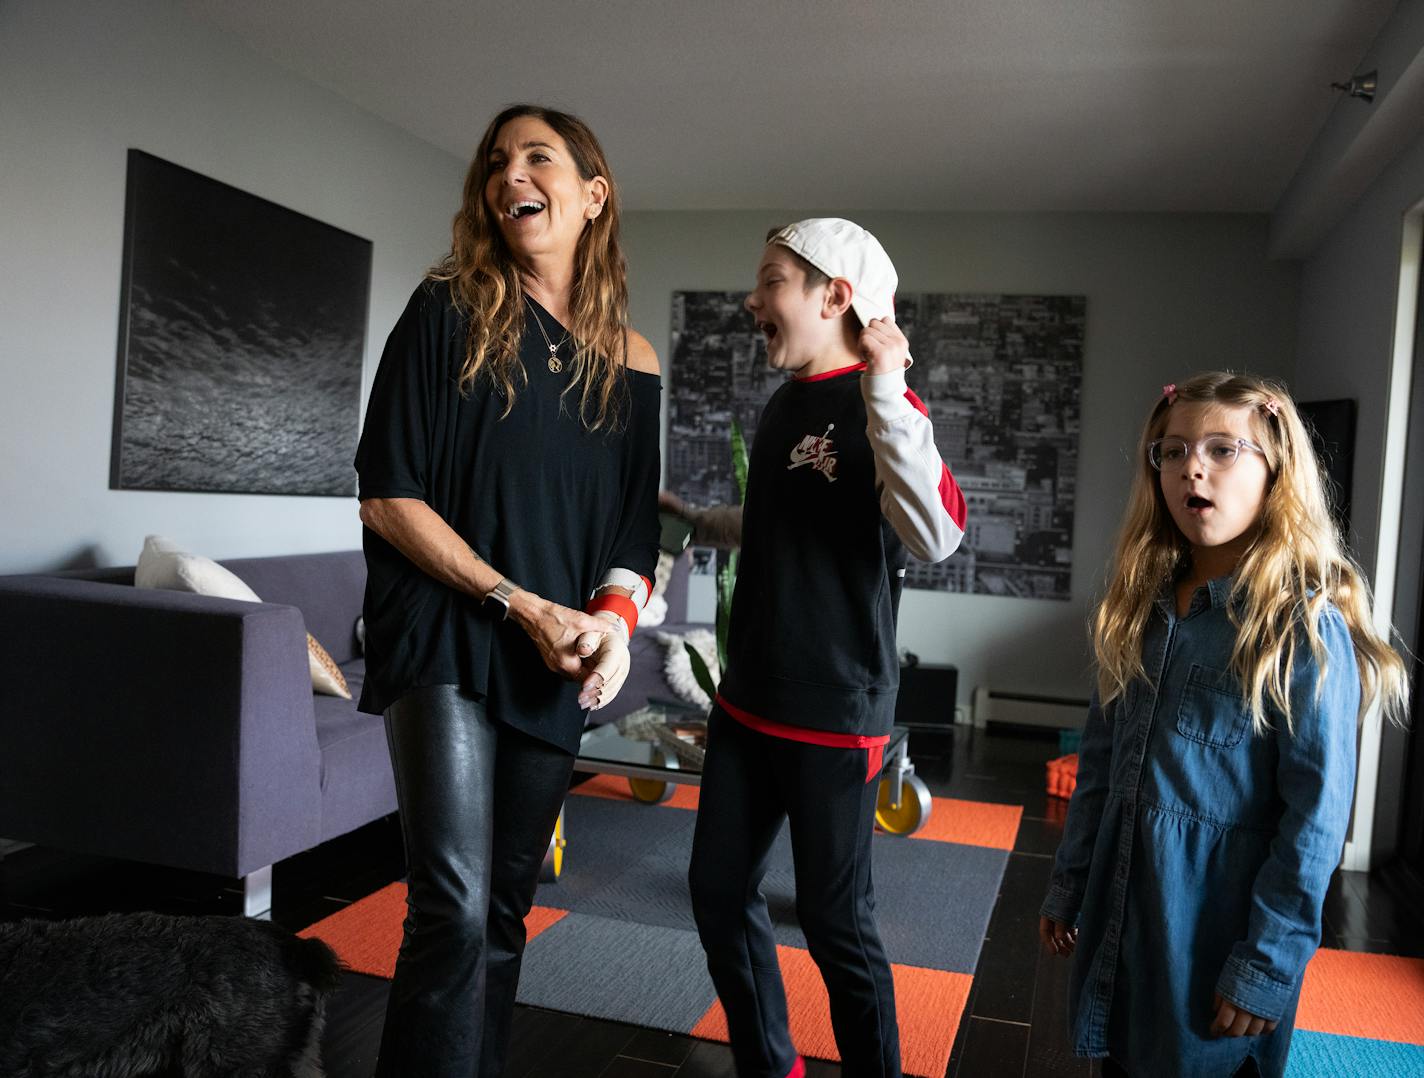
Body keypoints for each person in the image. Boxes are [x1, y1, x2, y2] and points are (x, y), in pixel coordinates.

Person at [353, 104, 661, 1078]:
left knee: (501, 914)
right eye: (495, 163)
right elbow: (386, 494)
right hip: (442, 634)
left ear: (591, 196)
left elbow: (629, 533)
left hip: (549, 657)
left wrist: (608, 629)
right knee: (448, 905)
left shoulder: (634, 362)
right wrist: (518, 604)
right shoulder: (446, 309)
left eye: (535, 157)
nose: (507, 175)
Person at [1038, 373, 1409, 1078]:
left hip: (1215, 940)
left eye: (1221, 449)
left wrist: (1266, 963)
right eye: (1171, 452)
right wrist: (1070, 880)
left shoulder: (1302, 630)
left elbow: (1314, 821)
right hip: (1124, 922)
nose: (1192, 468)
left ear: (1276, 473)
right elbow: (1100, 763)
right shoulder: (1138, 610)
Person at [683, 218, 967, 1078]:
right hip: (747, 701)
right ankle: (770, 1064)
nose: (752, 298)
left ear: (834, 296)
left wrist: (887, 385)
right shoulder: (785, 403)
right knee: (718, 893)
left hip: (834, 713)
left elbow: (938, 532)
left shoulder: (883, 405)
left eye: (771, 279)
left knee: (836, 923)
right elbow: (783, 525)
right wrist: (698, 520)